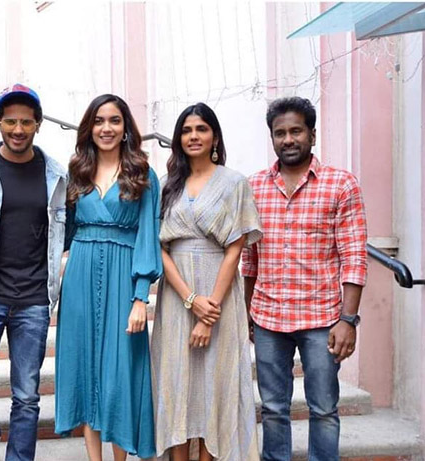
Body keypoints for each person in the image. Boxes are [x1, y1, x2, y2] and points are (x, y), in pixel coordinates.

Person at [242, 96, 368, 461]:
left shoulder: (340, 184)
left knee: (324, 409)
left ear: (312, 135)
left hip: (322, 319)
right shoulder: (254, 187)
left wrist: (347, 320)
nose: (288, 139)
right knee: (273, 409)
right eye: (279, 133)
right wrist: (248, 311)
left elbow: (354, 257)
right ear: (272, 138)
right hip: (269, 318)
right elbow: (250, 259)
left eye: (296, 131)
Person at [0, 84, 68, 461]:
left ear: (38, 124)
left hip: (34, 300)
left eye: (26, 122)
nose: (18, 130)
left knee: (27, 396)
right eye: (10, 122)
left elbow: (66, 234)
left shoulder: (56, 175)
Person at [150, 103, 262, 461]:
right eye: (186, 130)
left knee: (217, 380)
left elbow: (235, 249)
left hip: (220, 295)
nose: (193, 136)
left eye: (201, 129)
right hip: (176, 295)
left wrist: (208, 312)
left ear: (214, 136)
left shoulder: (234, 183)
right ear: (178, 139)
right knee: (175, 381)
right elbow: (158, 247)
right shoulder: (166, 185)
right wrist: (190, 299)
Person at [55, 94, 161, 461]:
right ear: (89, 128)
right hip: (80, 276)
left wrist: (140, 296)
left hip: (123, 275)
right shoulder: (76, 172)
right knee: (85, 369)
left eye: (114, 120)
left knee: (120, 375)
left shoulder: (142, 174)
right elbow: (61, 229)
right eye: (99, 121)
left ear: (125, 128)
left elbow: (148, 235)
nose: (106, 128)